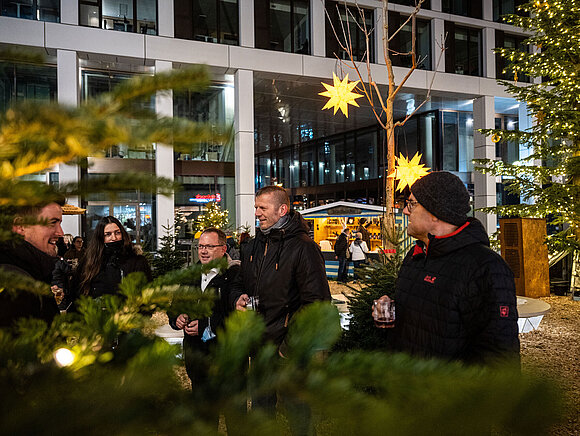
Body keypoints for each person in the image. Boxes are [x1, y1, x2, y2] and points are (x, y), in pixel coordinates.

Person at [375, 171, 520, 365]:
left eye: (411, 204)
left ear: (435, 212)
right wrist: (390, 315)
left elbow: (499, 357)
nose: (405, 211)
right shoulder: (416, 255)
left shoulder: (485, 267)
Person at [231, 185, 331, 434]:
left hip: (288, 351)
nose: (257, 213)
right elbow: (239, 283)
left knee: (298, 415)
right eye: (256, 207)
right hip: (260, 345)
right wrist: (238, 299)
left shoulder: (303, 247)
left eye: (262, 208)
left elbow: (316, 303)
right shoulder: (253, 245)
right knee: (262, 412)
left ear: (282, 209)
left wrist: (289, 347)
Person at [168, 228, 240, 424]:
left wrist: (205, 326)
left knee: (236, 419)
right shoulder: (190, 276)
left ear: (223, 248)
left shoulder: (235, 276)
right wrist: (178, 318)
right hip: (197, 359)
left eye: (209, 246)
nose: (203, 251)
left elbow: (238, 319)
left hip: (227, 360)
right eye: (200, 246)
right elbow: (173, 309)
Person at [0, 201, 64, 327]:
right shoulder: (16, 287)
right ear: (20, 226)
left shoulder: (29, 271)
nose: (60, 233)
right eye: (52, 223)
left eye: (60, 223)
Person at [75, 216, 152, 299]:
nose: (114, 238)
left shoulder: (137, 261)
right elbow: (78, 292)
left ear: (123, 234)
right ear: (101, 237)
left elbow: (147, 292)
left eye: (117, 233)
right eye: (108, 234)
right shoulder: (90, 261)